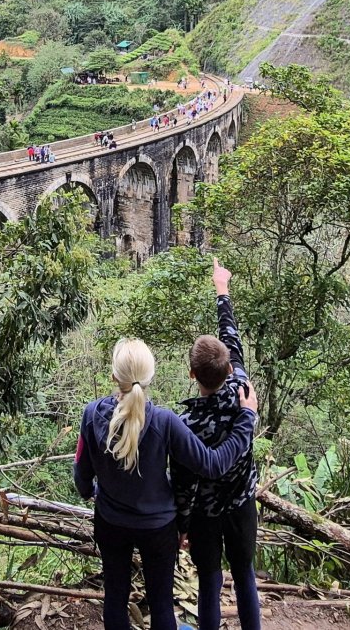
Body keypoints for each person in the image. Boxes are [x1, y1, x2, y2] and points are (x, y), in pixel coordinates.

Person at [75, 338, 258, 630]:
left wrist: (93, 492)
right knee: (161, 603)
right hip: (157, 527)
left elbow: (82, 475)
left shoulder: (91, 414)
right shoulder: (165, 421)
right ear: (150, 377)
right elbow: (213, 464)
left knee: (115, 597)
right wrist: (247, 417)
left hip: (111, 522)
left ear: (113, 376)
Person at [173, 258, 261, 630]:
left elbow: (182, 482)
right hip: (242, 503)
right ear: (228, 369)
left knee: (210, 582)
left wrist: (181, 524)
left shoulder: (185, 424)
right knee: (245, 576)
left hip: (204, 515)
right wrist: (221, 289)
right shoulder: (243, 391)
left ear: (192, 374)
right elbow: (232, 338)